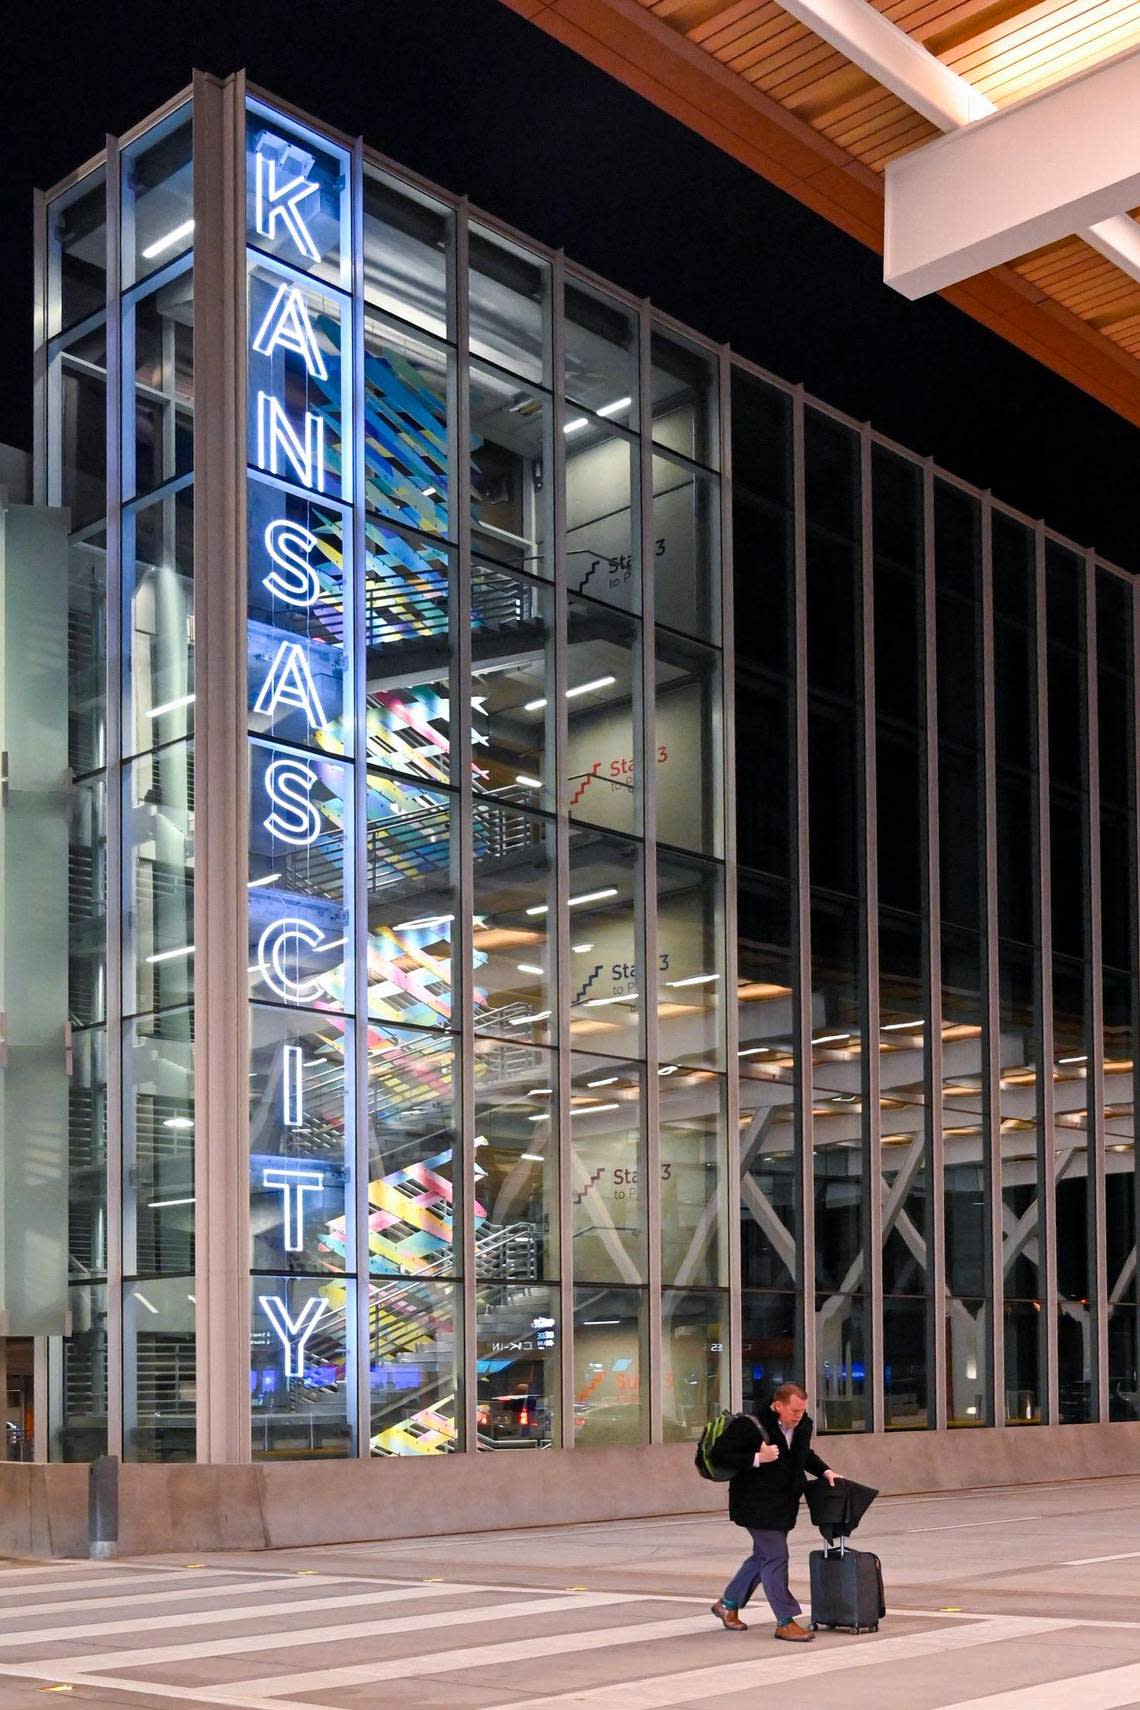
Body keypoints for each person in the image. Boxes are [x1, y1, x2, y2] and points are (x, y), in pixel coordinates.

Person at [709, 1381, 840, 1640]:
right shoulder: (751, 1424)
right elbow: (719, 1455)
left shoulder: (804, 1424)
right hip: (754, 1504)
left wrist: (826, 1471)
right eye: (794, 1411)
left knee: (763, 1556)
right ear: (778, 1405)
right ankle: (785, 1620)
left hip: (784, 1503)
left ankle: (727, 1604)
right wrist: (758, 1459)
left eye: (802, 1410)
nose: (799, 1416)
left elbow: (804, 1454)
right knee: (776, 1556)